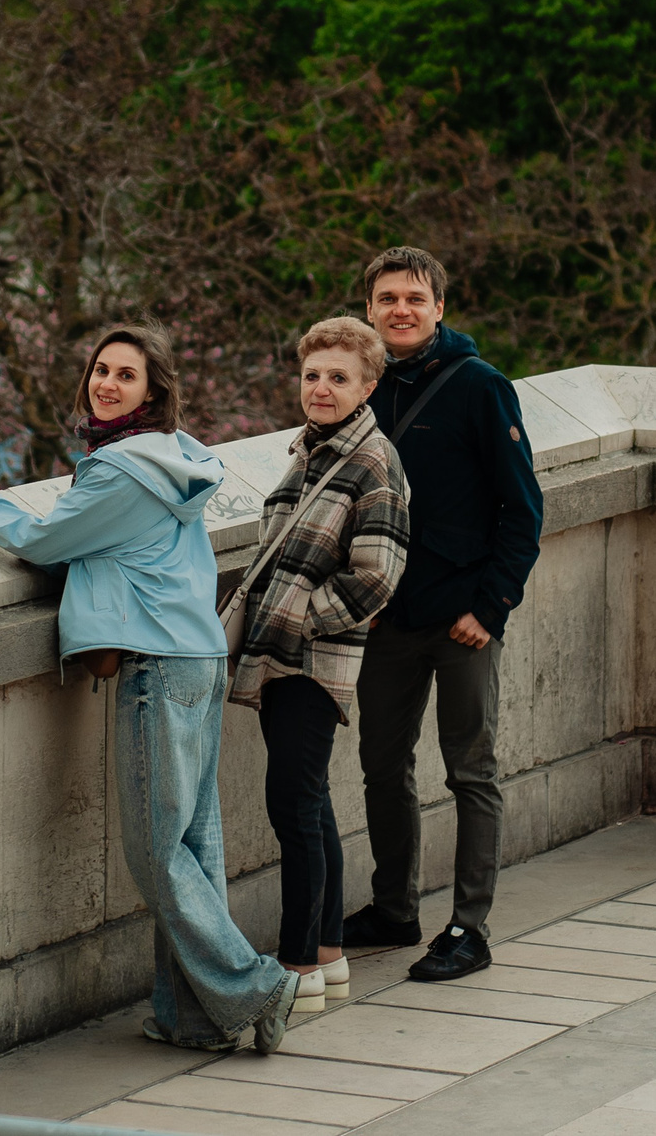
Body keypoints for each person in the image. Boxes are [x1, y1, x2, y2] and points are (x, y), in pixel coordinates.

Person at [0, 322, 299, 1055]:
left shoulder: (117, 472)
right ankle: (191, 1017)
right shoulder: (174, 461)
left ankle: (254, 982)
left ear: (152, 393)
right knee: (193, 846)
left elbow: (41, 541)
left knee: (156, 852)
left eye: (125, 375)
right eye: (101, 369)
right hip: (196, 655)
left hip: (155, 665)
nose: (106, 383)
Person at [341, 247, 544, 982]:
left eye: (415, 299)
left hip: (462, 621)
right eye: (388, 297)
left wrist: (489, 607)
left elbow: (523, 513)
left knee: (471, 773)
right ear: (369, 308)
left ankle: (470, 926)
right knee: (381, 768)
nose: (401, 309)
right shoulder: (358, 389)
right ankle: (393, 908)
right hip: (384, 621)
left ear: (439, 309)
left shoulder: (480, 388)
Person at [226, 316, 409, 1014]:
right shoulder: (310, 452)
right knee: (308, 803)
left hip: (308, 660)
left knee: (293, 805)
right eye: (311, 375)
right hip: (282, 657)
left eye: (338, 377)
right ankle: (328, 954)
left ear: (367, 386)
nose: (321, 387)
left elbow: (377, 578)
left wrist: (301, 621)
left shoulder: (372, 462)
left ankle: (297, 965)